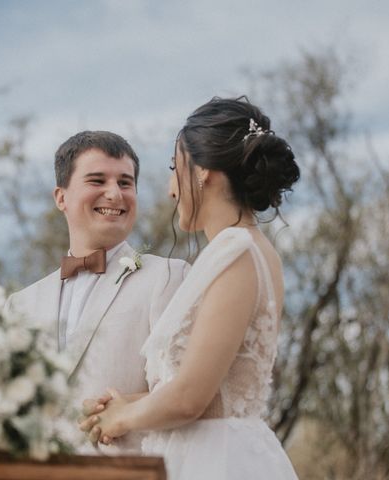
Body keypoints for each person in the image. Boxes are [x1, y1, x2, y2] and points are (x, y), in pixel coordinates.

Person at [79, 97, 301, 479]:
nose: (169, 189)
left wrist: (123, 420)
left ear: (202, 172)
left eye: (173, 168)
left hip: (216, 463)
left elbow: (190, 400)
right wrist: (122, 404)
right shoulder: (248, 251)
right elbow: (213, 392)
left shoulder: (236, 252)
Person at [5, 130, 188, 453]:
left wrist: (124, 410)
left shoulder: (166, 276)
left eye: (125, 183)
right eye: (97, 180)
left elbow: (185, 391)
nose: (115, 194)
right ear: (61, 197)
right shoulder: (18, 306)